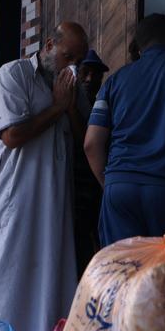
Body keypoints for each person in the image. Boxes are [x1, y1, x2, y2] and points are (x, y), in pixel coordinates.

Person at [0, 22, 88, 331]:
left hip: (52, 202)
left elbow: (84, 140)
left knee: (49, 280)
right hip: (14, 200)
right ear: (49, 44)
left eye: (78, 61)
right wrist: (56, 107)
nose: (72, 66)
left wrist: (69, 108)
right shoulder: (14, 74)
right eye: (68, 56)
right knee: (8, 282)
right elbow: (11, 135)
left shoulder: (69, 86)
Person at [85, 14, 165, 246]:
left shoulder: (113, 82)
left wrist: (109, 184)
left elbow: (91, 143)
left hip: (119, 188)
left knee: (122, 274)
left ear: (139, 46)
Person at [70, 50, 108, 275]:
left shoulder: (101, 103)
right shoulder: (69, 102)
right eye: (86, 73)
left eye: (96, 75)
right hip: (74, 188)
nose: (90, 79)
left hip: (95, 187)